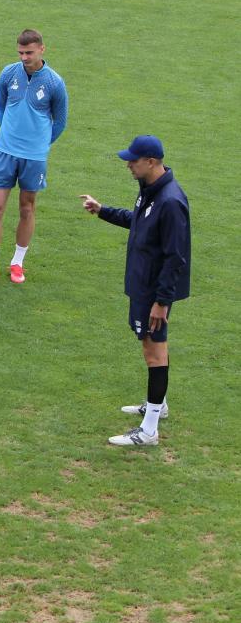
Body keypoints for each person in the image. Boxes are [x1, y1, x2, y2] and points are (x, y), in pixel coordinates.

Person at [80, 135, 190, 446]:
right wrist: (102, 210)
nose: (128, 165)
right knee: (152, 349)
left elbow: (175, 257)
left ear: (151, 162)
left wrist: (162, 301)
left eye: (134, 160)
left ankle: (149, 430)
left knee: (154, 353)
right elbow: (139, 222)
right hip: (144, 285)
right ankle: (158, 405)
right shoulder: (151, 190)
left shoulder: (170, 201)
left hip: (153, 291)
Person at [0, 30, 69, 286]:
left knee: (27, 208)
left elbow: (60, 121)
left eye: (29, 52)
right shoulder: (8, 74)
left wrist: (40, 144)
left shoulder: (54, 83)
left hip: (34, 157)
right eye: (20, 53)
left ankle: (17, 262)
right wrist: (8, 133)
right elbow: (0, 107)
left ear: (42, 50)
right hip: (5, 151)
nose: (24, 57)